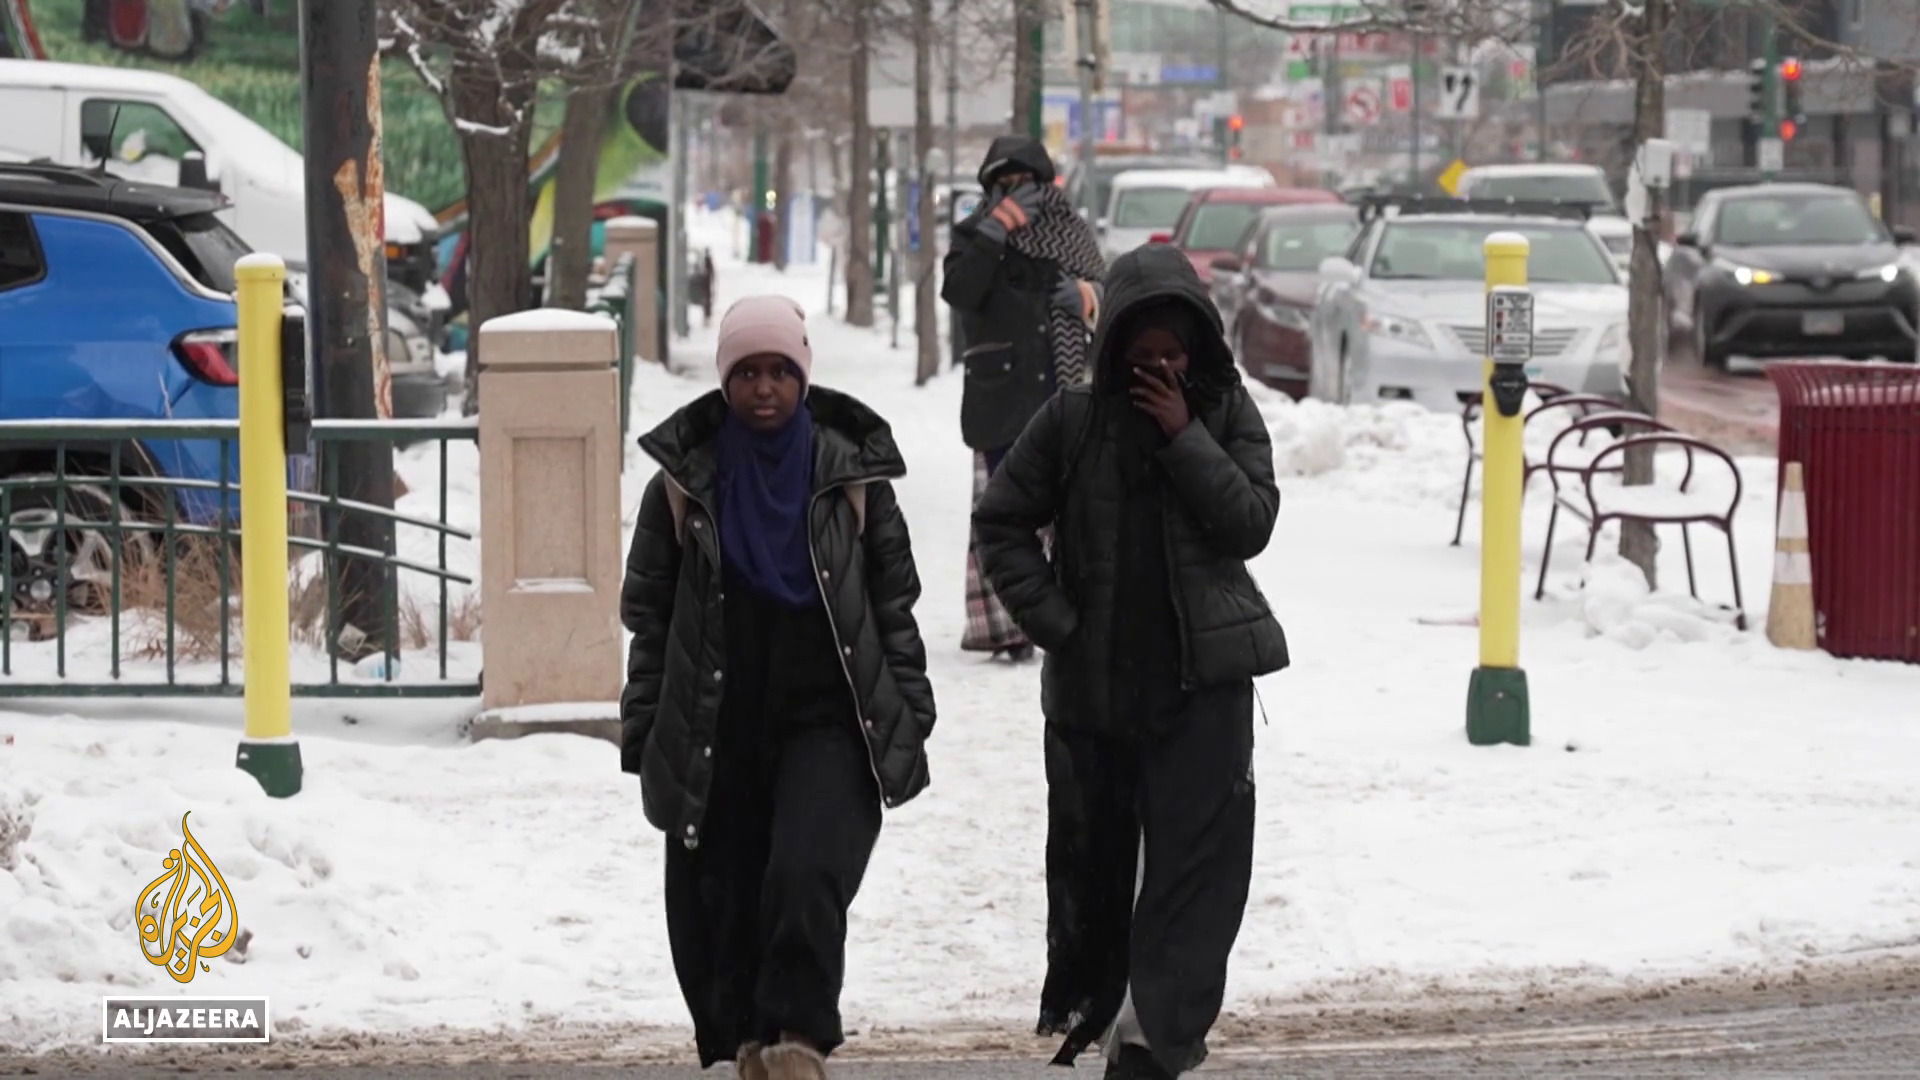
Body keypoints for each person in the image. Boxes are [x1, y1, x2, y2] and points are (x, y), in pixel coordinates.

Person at [971, 245, 1289, 1080]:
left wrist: (1185, 437)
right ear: (1113, 346)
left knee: (1193, 885)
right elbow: (1002, 520)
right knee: (1102, 880)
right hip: (1097, 697)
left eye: (1174, 353)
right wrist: (1056, 623)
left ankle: (1151, 1049)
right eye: (1142, 354)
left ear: (1199, 350)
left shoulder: (1223, 413)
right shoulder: (1073, 420)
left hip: (1204, 693)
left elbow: (1251, 522)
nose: (1160, 368)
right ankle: (1110, 1017)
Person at [620, 295, 937, 1080]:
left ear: (803, 376)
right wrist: (644, 721)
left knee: (807, 867)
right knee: (720, 894)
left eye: (781, 372)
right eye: (748, 373)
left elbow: (894, 605)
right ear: (727, 381)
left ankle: (796, 1036)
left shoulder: (854, 480)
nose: (765, 389)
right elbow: (650, 616)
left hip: (829, 713)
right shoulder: (681, 487)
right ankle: (746, 1044)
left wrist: (911, 705)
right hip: (715, 713)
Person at [942, 135, 1105, 663]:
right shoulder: (975, 237)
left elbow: (1110, 301)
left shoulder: (1071, 233)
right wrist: (995, 231)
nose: (1014, 196)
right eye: (1002, 186)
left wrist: (1084, 298)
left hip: (1062, 393)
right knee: (1003, 512)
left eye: (1024, 185)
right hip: (1000, 396)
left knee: (1063, 511)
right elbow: (960, 293)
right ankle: (1006, 624)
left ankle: (1064, 614)